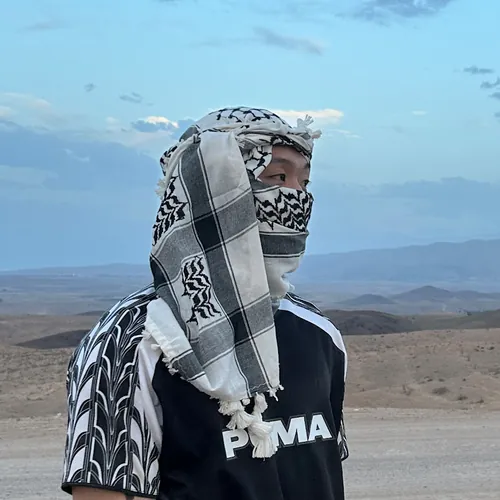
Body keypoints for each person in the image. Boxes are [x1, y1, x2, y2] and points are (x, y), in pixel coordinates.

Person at [61, 106, 348, 500]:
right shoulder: (131, 343)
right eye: (278, 177)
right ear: (210, 186)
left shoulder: (318, 333)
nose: (296, 198)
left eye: (304, 181)